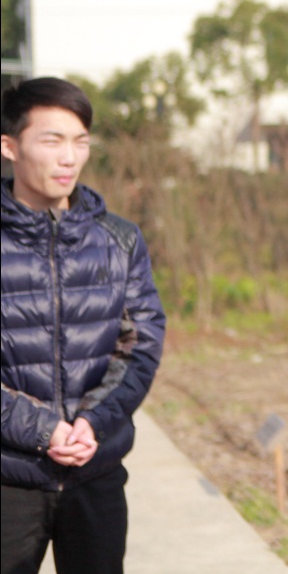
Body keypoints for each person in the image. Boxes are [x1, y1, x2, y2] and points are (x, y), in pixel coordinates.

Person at [1, 77, 166, 574]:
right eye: (52, 141)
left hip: (96, 473)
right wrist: (43, 430)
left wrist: (93, 422)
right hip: (9, 480)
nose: (69, 158)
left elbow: (139, 346)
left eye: (81, 142)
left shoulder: (119, 240)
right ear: (9, 146)